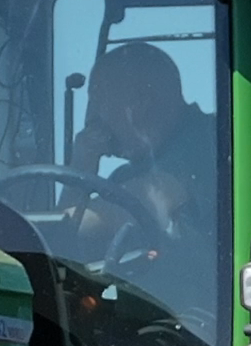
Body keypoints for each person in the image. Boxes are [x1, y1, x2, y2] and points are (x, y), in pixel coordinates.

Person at [70, 40, 219, 281]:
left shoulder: (210, 142)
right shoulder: (124, 176)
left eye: (98, 103)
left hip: (211, 309)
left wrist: (21, 230)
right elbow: (68, 248)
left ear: (139, 102)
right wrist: (81, 168)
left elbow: (83, 224)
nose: (92, 120)